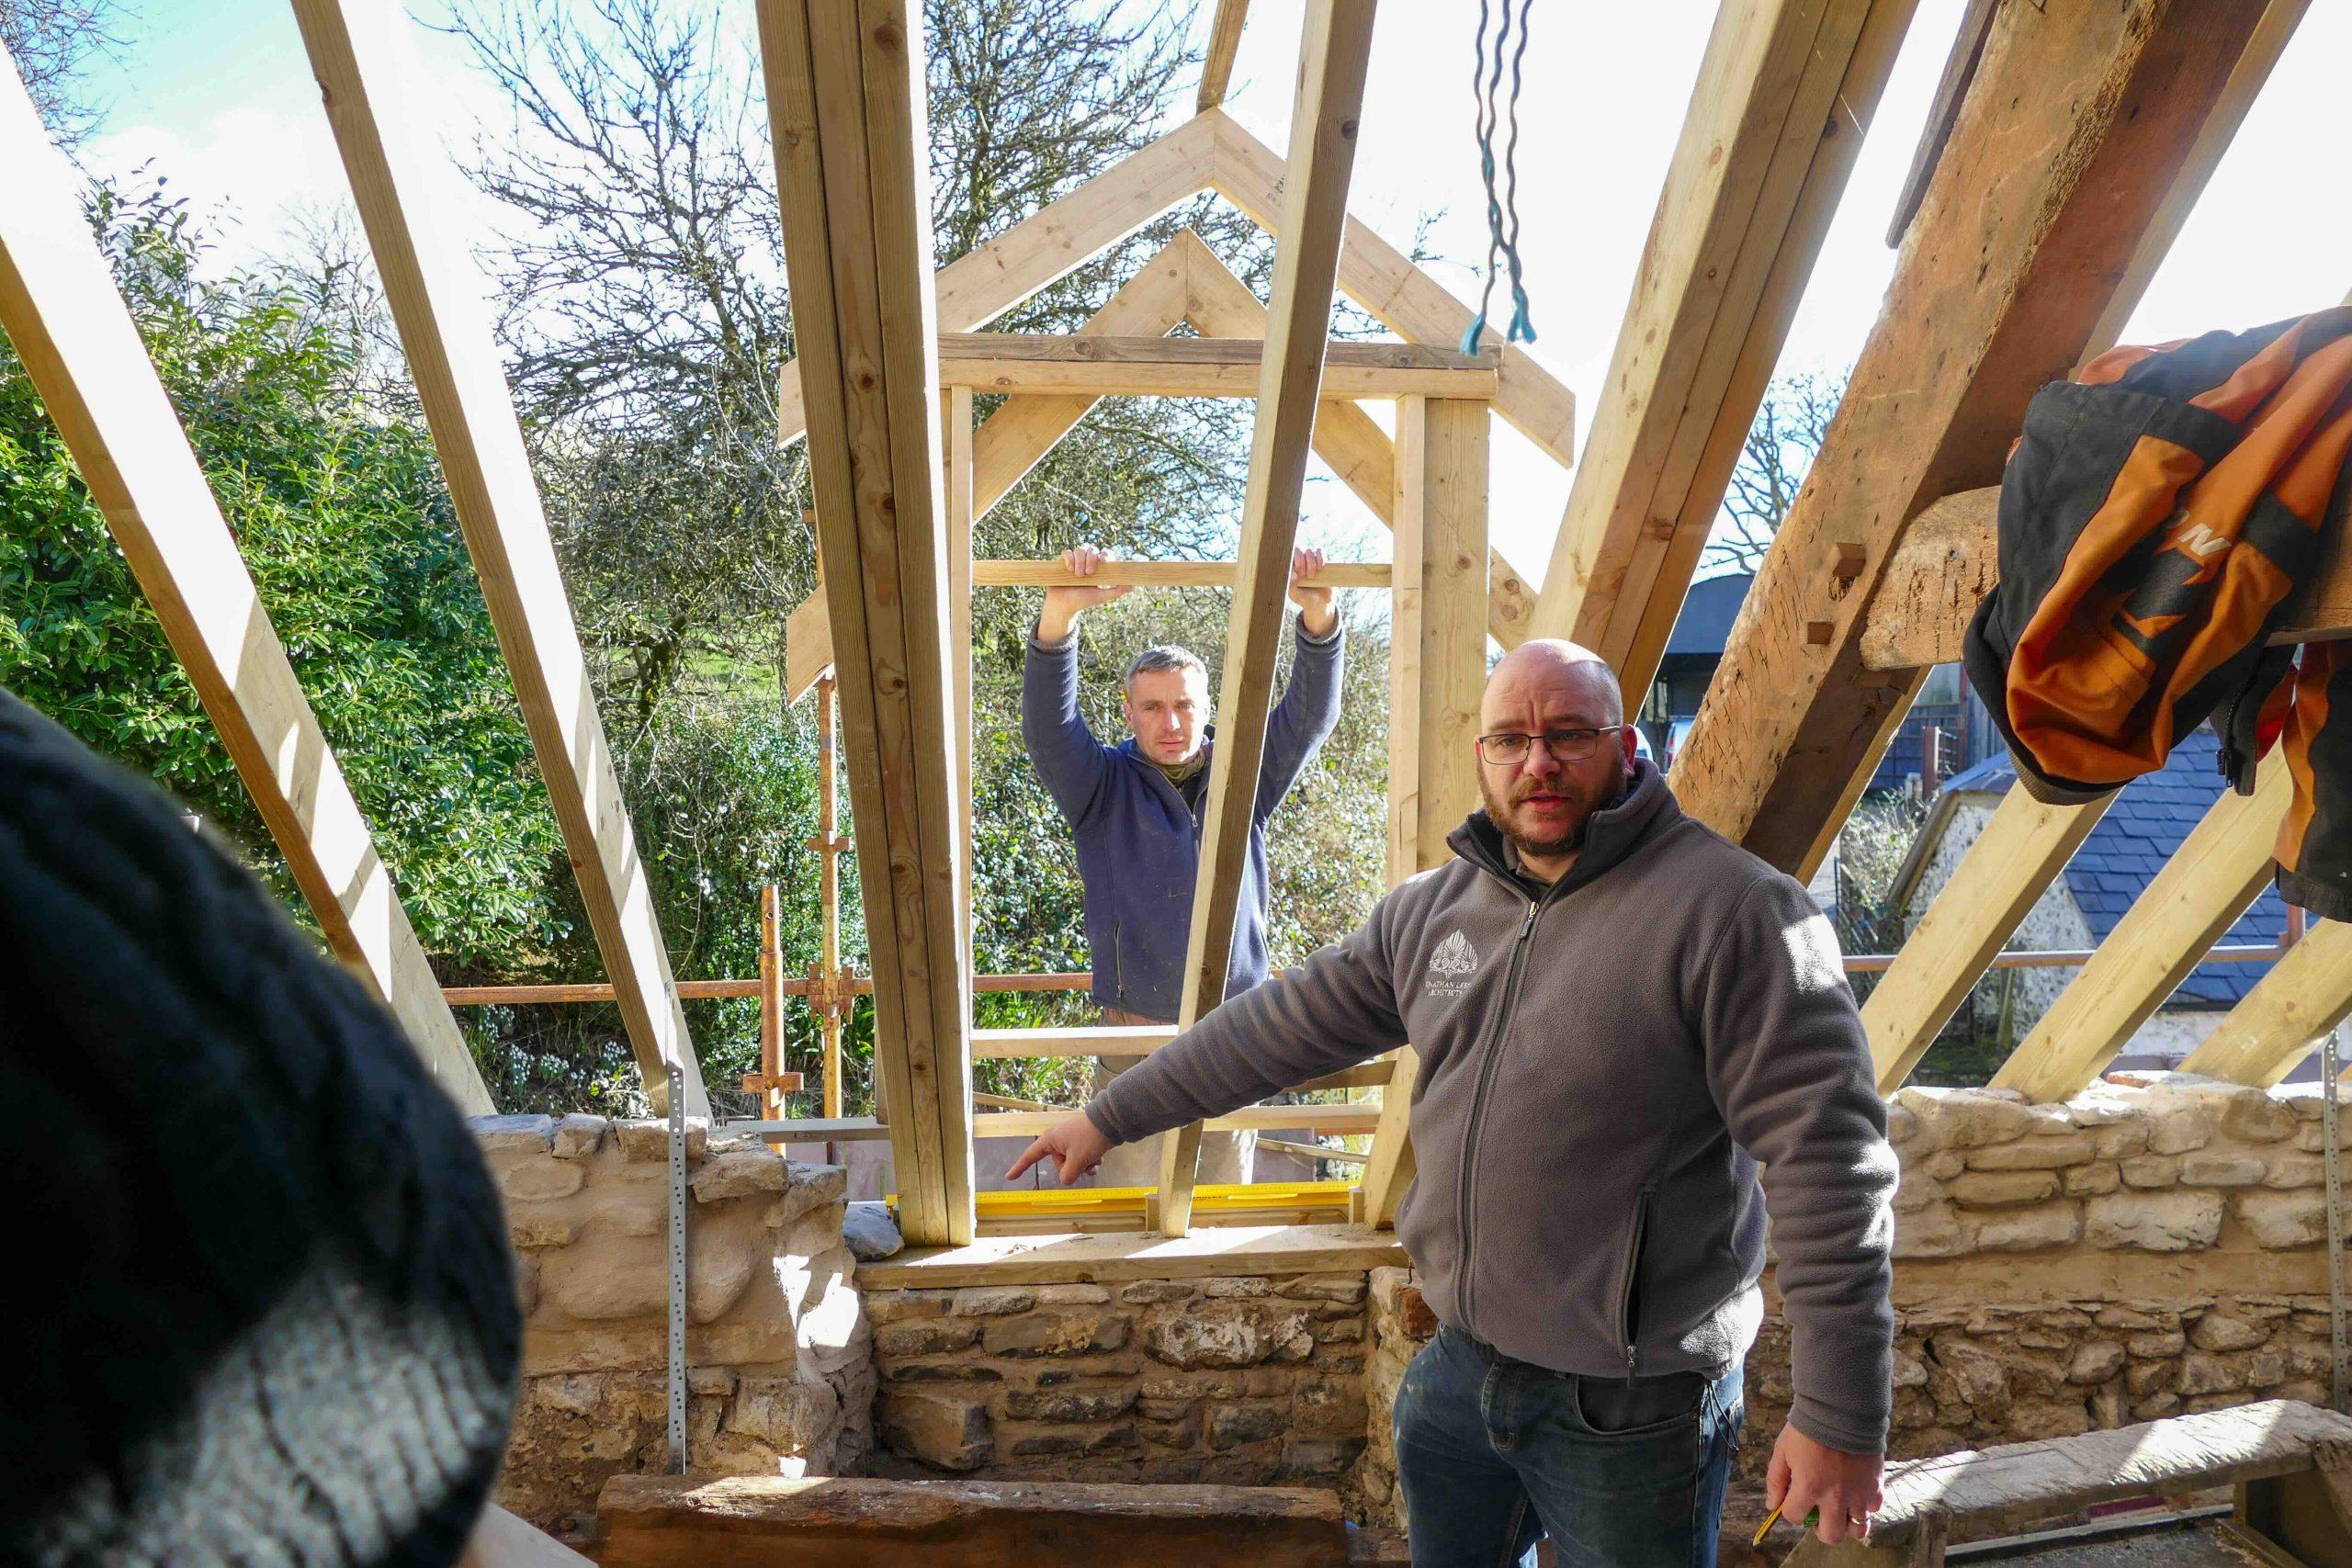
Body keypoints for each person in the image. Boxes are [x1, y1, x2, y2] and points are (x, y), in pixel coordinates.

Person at [1008, 639, 1895, 1566]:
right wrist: (1111, 1114)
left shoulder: (1736, 913)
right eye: (1510, 739)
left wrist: (1838, 1412)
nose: (1537, 762)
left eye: (1568, 735)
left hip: (1630, 1406)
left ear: (1625, 746)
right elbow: (1272, 1027)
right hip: (1459, 1373)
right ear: (1481, 756)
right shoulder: (1434, 911)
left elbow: (1830, 1163)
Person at [1021, 543, 1344, 1186]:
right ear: (1129, 712)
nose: (1171, 721)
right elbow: (1048, 729)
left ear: (1207, 709)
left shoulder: (1242, 777)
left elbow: (1309, 718)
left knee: (1219, 1216)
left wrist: (1319, 618)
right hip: (1135, 1045)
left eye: (1185, 706)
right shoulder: (1101, 787)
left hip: (1235, 1036)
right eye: (1153, 707)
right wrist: (1060, 616)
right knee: (1130, 1221)